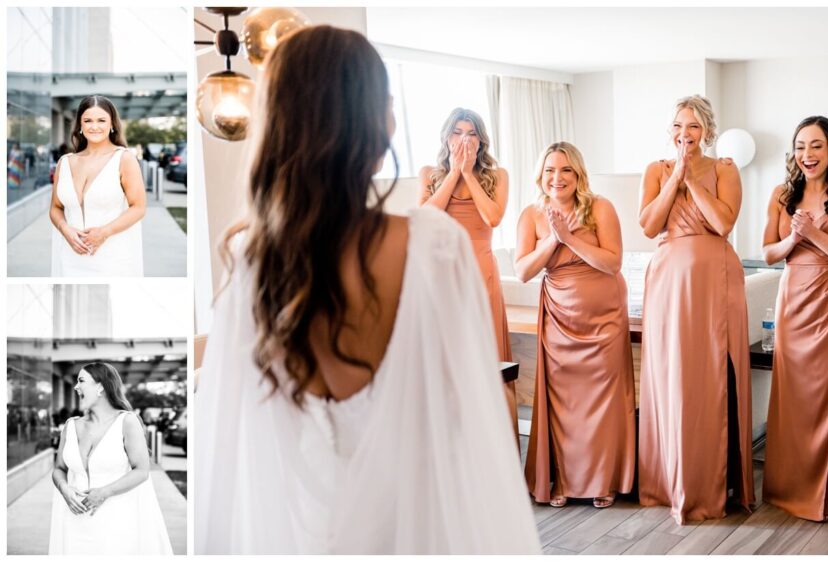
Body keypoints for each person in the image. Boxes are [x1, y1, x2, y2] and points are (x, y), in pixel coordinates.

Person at [194, 26, 540, 554]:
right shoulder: (433, 249)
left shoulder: (251, 263)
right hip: (411, 527)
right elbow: (466, 431)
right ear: (376, 125)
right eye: (389, 105)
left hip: (295, 533)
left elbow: (228, 456)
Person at [637, 95, 755, 524]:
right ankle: (667, 480)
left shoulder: (725, 168)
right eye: (677, 126)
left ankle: (714, 481)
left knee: (712, 376)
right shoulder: (656, 170)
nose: (684, 134)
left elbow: (723, 223)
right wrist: (675, 178)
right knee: (672, 374)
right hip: (669, 282)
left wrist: (691, 181)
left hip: (715, 282)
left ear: (707, 130)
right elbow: (649, 225)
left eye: (692, 126)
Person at [760, 116, 828, 521]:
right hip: (794, 302)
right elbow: (770, 252)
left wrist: (814, 235)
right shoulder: (780, 194)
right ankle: (793, 485)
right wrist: (793, 237)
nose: (807, 155)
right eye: (801, 146)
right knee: (796, 395)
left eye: (816, 146)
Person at [516, 142, 636, 509]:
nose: (558, 177)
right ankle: (566, 480)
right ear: (541, 175)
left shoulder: (600, 207)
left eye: (566, 169)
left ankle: (604, 480)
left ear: (578, 174)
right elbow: (523, 271)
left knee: (602, 400)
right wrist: (554, 239)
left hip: (603, 319)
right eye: (550, 170)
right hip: (559, 318)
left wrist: (570, 238)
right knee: (564, 402)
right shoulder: (531, 216)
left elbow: (612, 263)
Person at [418, 108, 517, 435]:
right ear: (447, 138)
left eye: (471, 133)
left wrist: (470, 174)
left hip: (480, 270)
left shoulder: (497, 176)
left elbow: (492, 217)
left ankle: (492, 440)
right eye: (458, 132)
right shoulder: (429, 173)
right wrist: (454, 173)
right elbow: (426, 217)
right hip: (443, 274)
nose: (464, 139)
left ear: (481, 139)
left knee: (487, 356)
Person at [49, 363, 172, 555]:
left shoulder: (127, 422)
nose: (76, 387)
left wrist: (104, 492)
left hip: (116, 523)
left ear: (101, 387)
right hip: (73, 522)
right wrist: (64, 488)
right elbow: (59, 469)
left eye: (81, 381)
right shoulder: (70, 426)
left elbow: (141, 471)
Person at [50, 95, 145, 277]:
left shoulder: (124, 159)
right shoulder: (65, 162)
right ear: (80, 125)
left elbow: (139, 208)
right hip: (70, 258)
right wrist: (65, 229)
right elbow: (55, 207)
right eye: (88, 120)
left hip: (112, 258)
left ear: (112, 125)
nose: (94, 126)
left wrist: (104, 232)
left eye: (101, 120)